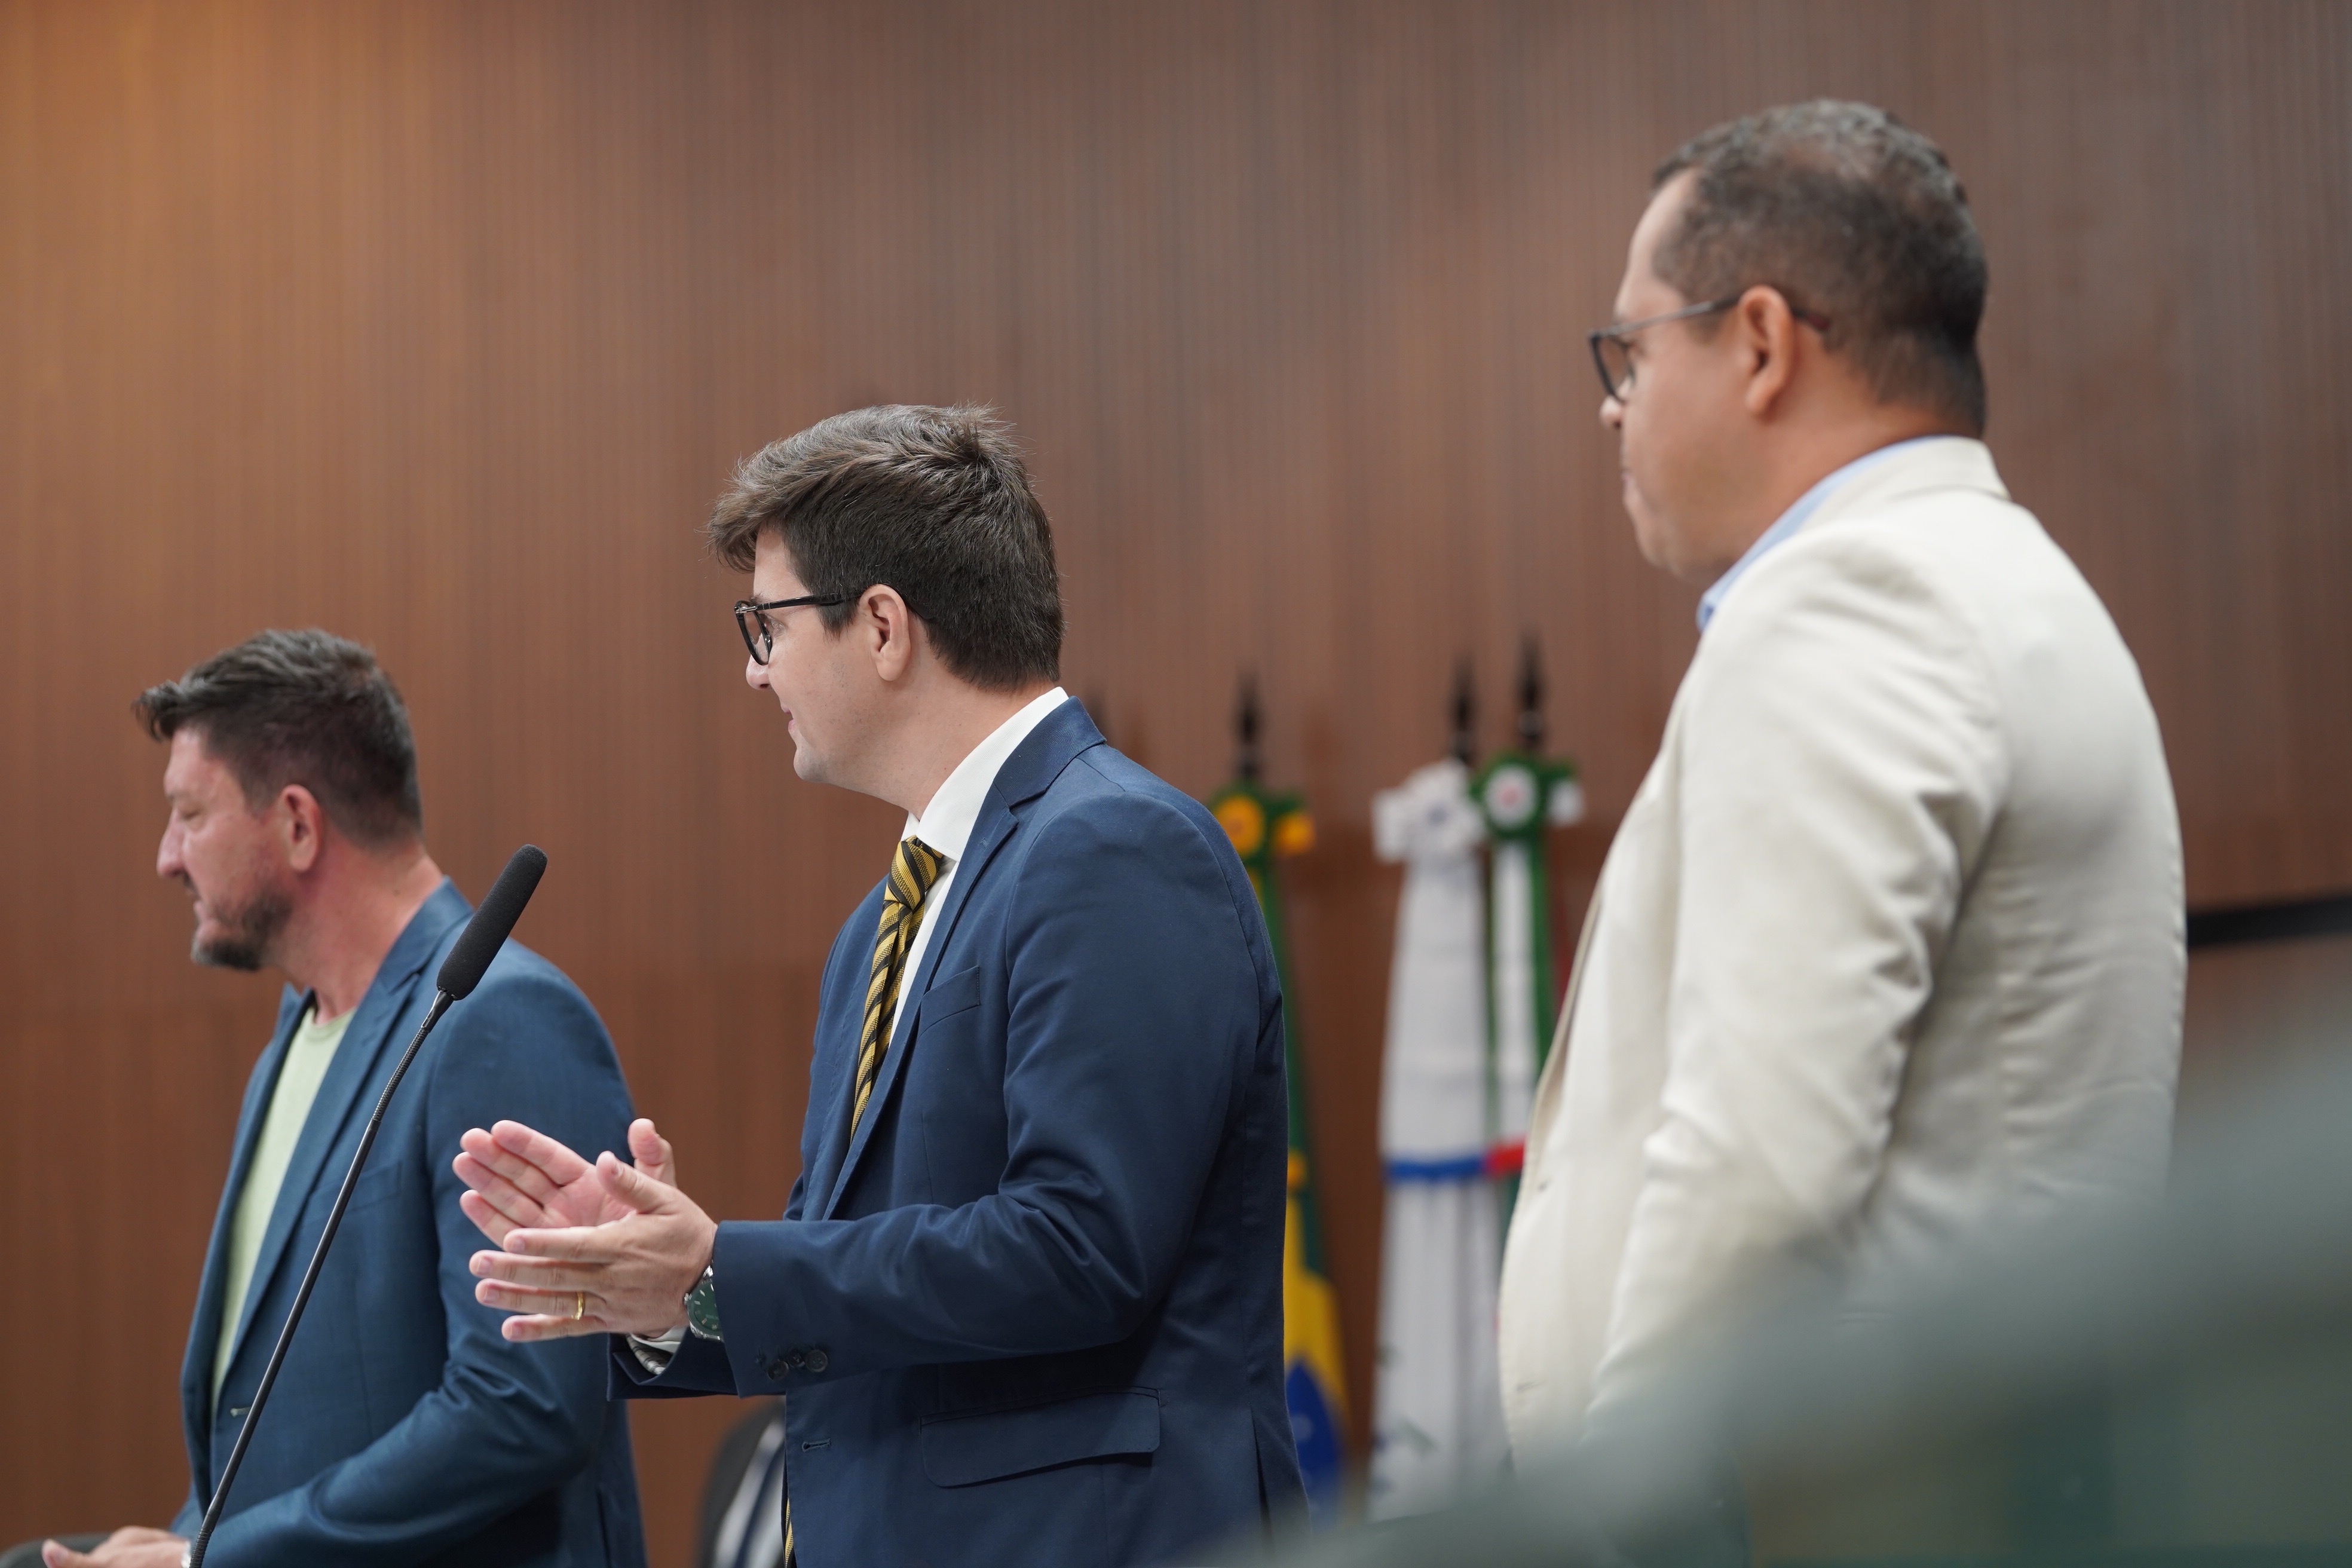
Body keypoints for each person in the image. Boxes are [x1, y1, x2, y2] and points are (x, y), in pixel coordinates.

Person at [452, 406, 1304, 1567]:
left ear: (886, 628)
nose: (754, 670)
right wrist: (665, 1290)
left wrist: (723, 1267)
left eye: (767, 623)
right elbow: (859, 1294)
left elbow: (1082, 1246)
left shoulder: (1116, 848)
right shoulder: (881, 923)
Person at [1497, 102, 2185, 1451]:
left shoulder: (1853, 599)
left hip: (1825, 1498)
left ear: (1761, 345)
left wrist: (1624, 1506)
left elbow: (1760, 1165)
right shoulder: (2000, 578)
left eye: (1634, 349)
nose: (1611, 404)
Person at [43, 631, 645, 1568]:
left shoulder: (499, 1021)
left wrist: (217, 1559)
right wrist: (187, 1540)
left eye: (189, 814)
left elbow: (523, 1403)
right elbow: (286, 1414)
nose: (168, 857)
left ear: (296, 824)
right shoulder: (297, 1033)